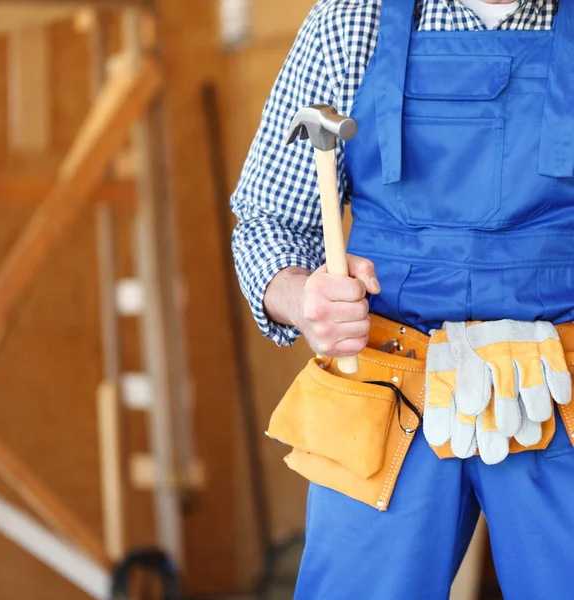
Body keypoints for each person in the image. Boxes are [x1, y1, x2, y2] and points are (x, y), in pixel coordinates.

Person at [231, 0, 574, 598]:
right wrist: (300, 294)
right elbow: (267, 220)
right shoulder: (350, 22)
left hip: (558, 389)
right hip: (385, 388)